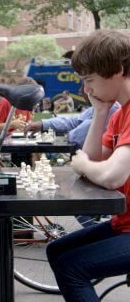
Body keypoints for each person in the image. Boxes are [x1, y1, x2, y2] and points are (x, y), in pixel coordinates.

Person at [46, 29, 130, 302]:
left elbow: (110, 176)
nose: (85, 89)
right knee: (57, 251)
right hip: (124, 223)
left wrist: (83, 163)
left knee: (73, 267)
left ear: (117, 70)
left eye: (89, 79)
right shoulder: (119, 114)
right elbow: (95, 166)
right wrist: (101, 112)